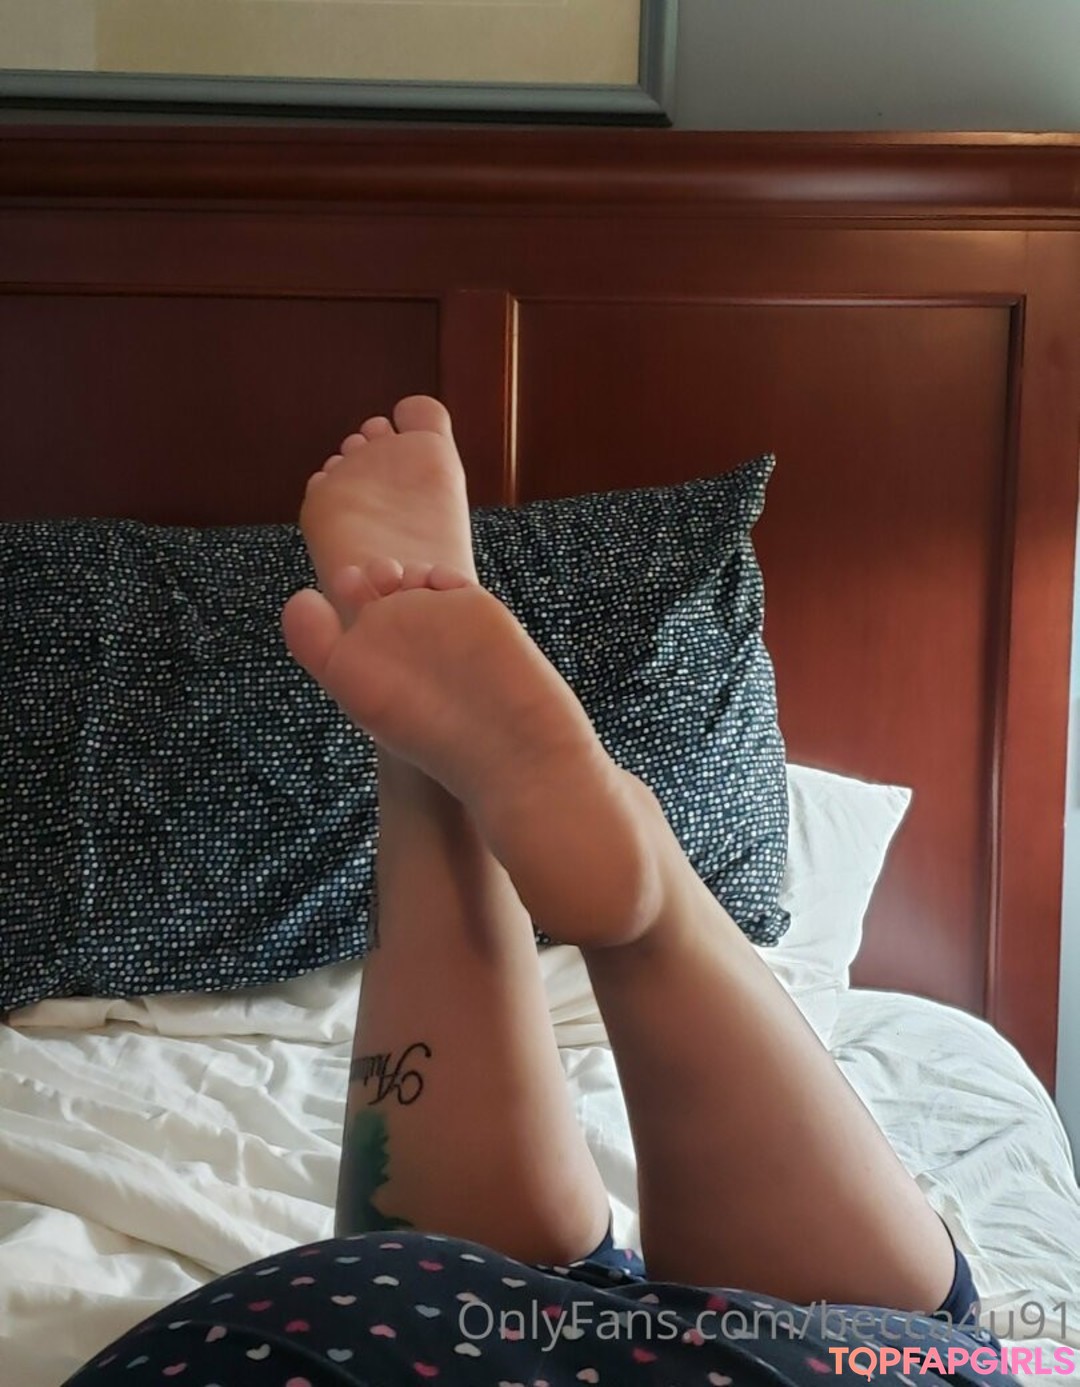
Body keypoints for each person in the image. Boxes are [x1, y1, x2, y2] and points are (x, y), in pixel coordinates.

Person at [64, 396, 1010, 1387]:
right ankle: (607, 880)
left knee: (873, 1337)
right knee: (896, 1337)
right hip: (357, 1325)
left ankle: (440, 779)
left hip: (359, 1331)